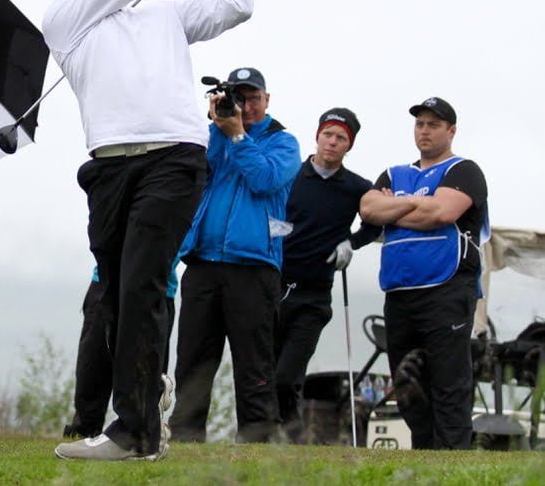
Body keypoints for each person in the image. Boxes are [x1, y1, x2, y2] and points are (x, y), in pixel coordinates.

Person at [42, 0, 253, 461]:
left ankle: (135, 431)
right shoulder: (64, 22)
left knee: (141, 286)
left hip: (173, 159)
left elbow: (236, 5)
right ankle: (141, 407)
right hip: (108, 169)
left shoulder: (164, 14)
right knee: (113, 297)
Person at [170, 67, 300, 444]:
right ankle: (184, 436)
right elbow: (191, 173)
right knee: (193, 358)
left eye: (254, 98)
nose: (246, 105)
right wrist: (215, 127)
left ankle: (257, 438)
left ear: (267, 99)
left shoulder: (283, 142)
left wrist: (238, 135)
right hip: (204, 262)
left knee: (254, 361)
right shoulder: (213, 136)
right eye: (239, 98)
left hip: (255, 266)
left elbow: (264, 180)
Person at [359, 97, 488, 450]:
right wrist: (417, 202)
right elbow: (369, 209)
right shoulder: (394, 172)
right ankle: (424, 451)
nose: (425, 130)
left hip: (447, 289)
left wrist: (394, 208)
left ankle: (452, 456)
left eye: (434, 124)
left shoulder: (464, 171)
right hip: (399, 292)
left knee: (448, 380)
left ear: (451, 130)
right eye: (420, 124)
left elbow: (441, 214)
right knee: (406, 380)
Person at [274, 108, 381, 437]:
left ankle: (288, 439)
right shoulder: (289, 174)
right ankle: (258, 438)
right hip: (272, 285)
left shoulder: (356, 187)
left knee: (287, 376)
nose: (332, 143)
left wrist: (351, 243)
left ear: (349, 145)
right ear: (317, 136)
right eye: (328, 135)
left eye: (341, 138)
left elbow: (375, 223)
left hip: (314, 295)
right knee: (262, 375)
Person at [62, 262, 180, 440]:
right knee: (93, 363)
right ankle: (85, 430)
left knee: (145, 370)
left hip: (154, 288)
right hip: (106, 283)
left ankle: (140, 435)